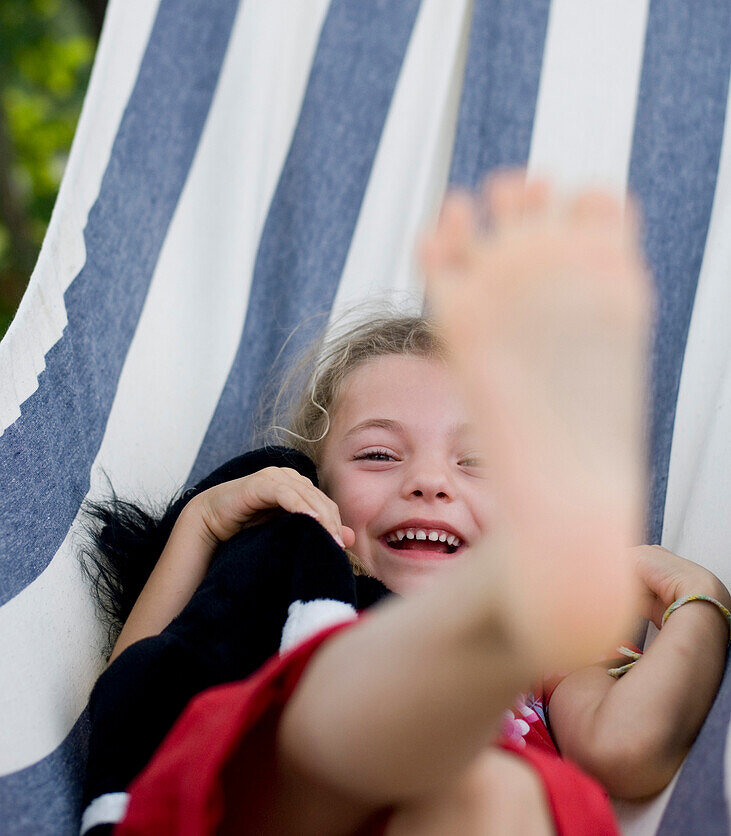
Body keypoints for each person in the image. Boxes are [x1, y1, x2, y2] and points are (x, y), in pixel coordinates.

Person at [80, 169, 731, 836]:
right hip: (291, 790)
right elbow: (129, 702)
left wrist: (698, 602)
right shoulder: (280, 595)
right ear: (317, 488)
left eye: (475, 462)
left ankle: (450, 678)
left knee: (494, 791)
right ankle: (417, 682)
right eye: (377, 455)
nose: (427, 482)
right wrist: (203, 523)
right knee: (318, 719)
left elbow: (626, 748)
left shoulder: (549, 659)